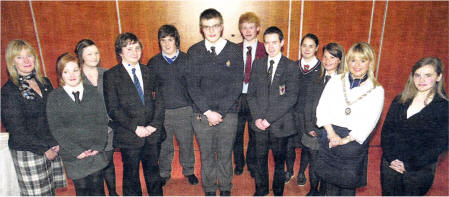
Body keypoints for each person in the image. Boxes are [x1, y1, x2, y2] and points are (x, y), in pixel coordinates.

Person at [187, 8, 243, 196]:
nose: (211, 31)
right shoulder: (194, 51)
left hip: (228, 114)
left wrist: (220, 112)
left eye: (215, 26)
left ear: (222, 27)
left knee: (226, 154)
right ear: (201, 29)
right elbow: (192, 86)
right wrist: (208, 112)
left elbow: (236, 85)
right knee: (207, 155)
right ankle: (210, 189)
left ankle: (226, 188)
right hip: (201, 115)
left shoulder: (235, 50)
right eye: (207, 27)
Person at [315, 42, 384, 196]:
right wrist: (332, 135)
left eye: (362, 60)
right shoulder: (335, 80)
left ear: (370, 63)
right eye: (353, 60)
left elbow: (369, 122)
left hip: (353, 142)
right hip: (331, 136)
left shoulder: (377, 90)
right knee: (328, 186)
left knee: (347, 188)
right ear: (347, 62)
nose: (357, 65)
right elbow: (322, 108)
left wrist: (344, 140)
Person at [1, 39, 67, 196]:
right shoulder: (9, 91)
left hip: (50, 146)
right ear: (12, 62)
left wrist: (55, 142)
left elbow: (54, 115)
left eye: (29, 55)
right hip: (30, 150)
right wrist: (44, 149)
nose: (26, 60)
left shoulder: (44, 82)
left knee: (50, 191)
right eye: (19, 57)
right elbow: (17, 130)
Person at [103, 32, 164, 196]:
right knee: (131, 176)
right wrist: (135, 128)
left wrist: (154, 125)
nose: (135, 52)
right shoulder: (111, 76)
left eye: (137, 48)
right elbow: (113, 109)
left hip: (151, 133)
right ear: (120, 52)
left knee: (153, 173)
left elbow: (159, 101)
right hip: (129, 135)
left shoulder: (149, 71)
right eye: (129, 49)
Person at [380, 57, 448, 196]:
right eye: (417, 75)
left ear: (438, 77)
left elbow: (439, 144)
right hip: (390, 165)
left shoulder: (443, 107)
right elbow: (386, 132)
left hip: (418, 171)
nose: (421, 80)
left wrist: (409, 164)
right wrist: (391, 158)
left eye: (428, 75)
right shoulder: (400, 99)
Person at [247, 26, 300, 196]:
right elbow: (251, 94)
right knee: (260, 160)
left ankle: (278, 192)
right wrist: (257, 118)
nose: (271, 47)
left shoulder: (291, 66)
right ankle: (261, 190)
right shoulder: (258, 64)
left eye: (275, 43)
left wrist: (268, 119)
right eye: (267, 43)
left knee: (279, 162)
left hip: (280, 124)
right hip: (259, 124)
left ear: (282, 43)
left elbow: (290, 98)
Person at [46, 53, 108, 196]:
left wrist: (97, 146)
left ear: (80, 70)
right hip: (73, 155)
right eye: (66, 71)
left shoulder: (92, 91)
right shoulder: (54, 97)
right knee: (83, 190)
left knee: (98, 189)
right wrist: (76, 151)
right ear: (60, 74)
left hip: (95, 152)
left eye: (75, 70)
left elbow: (101, 121)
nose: (71, 75)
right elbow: (56, 128)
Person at [147, 24, 198, 186]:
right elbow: (150, 90)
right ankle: (164, 172)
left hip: (184, 110)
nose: (167, 44)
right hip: (163, 112)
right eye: (163, 40)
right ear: (159, 42)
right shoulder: (153, 62)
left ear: (176, 40)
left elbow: (195, 87)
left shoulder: (187, 60)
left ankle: (189, 171)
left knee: (186, 144)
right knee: (164, 145)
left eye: (170, 39)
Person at [74, 39, 118, 196]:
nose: (94, 57)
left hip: (109, 129)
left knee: (108, 162)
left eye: (96, 53)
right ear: (81, 56)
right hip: (89, 132)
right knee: (95, 168)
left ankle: (113, 192)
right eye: (89, 54)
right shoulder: (75, 76)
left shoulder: (107, 73)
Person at [300, 42, 345, 196]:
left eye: (332, 57)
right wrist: (309, 126)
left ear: (339, 60)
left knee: (326, 164)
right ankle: (313, 190)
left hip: (331, 132)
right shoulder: (315, 77)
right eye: (325, 57)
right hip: (313, 129)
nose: (327, 61)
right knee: (314, 163)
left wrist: (328, 130)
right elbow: (307, 103)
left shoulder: (343, 82)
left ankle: (324, 192)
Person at [233, 12, 267, 177]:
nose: (247, 31)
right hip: (237, 98)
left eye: (251, 27)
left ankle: (252, 164)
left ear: (258, 29)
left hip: (256, 99)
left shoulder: (264, 49)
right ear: (240, 29)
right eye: (244, 27)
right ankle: (239, 163)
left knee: (255, 134)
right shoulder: (234, 49)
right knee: (236, 134)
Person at [288, 33, 321, 186]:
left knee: (307, 146)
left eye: (311, 46)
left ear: (316, 48)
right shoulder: (293, 66)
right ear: (300, 47)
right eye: (304, 45)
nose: (307, 49)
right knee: (289, 145)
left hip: (309, 116)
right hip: (291, 114)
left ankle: (301, 172)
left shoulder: (321, 68)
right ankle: (289, 170)